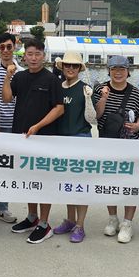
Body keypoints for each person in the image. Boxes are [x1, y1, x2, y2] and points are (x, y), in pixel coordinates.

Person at [3, 38, 64, 244]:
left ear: (43, 56)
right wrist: (7, 77)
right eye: (30, 54)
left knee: (44, 180)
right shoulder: (19, 77)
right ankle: (32, 217)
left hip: (45, 138)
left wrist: (38, 126)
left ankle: (44, 224)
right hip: (23, 137)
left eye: (38, 54)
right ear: (24, 56)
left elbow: (59, 108)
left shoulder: (52, 79)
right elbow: (7, 98)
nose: (34, 58)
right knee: (28, 179)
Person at [92, 55, 139, 243]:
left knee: (131, 184)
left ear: (128, 72)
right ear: (108, 70)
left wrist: (138, 126)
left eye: (122, 69)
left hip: (130, 144)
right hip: (107, 143)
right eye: (114, 69)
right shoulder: (100, 89)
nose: (118, 73)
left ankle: (127, 223)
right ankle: (112, 218)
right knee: (109, 182)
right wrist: (104, 98)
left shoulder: (136, 93)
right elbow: (96, 115)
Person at [51, 51, 92, 243]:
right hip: (61, 139)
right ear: (62, 66)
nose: (70, 68)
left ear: (79, 69)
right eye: (67, 65)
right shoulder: (58, 87)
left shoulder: (84, 88)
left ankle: (80, 225)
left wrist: (91, 99)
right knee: (67, 184)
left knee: (81, 184)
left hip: (80, 137)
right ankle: (70, 219)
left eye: (74, 66)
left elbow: (92, 118)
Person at [0, 32, 23, 224]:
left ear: (15, 46)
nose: (6, 50)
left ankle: (2, 208)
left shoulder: (22, 71)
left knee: (8, 168)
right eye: (2, 47)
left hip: (13, 125)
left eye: (9, 46)